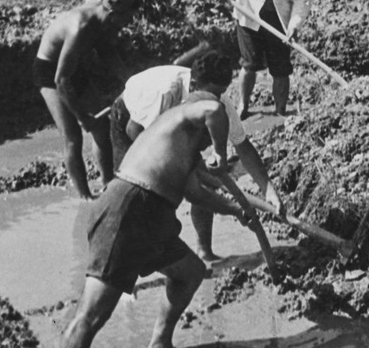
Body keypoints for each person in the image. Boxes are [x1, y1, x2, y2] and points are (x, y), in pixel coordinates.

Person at [61, 90, 252, 348]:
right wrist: (220, 152)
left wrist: (237, 210)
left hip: (152, 216)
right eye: (210, 136)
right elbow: (215, 110)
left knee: (190, 272)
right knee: (91, 316)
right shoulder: (182, 117)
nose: (208, 144)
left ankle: (160, 343)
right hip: (128, 209)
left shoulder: (181, 147)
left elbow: (196, 194)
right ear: (201, 124)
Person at [110, 44, 284, 261]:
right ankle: (124, 271)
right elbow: (135, 131)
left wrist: (268, 189)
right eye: (212, 93)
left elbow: (243, 146)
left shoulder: (218, 103)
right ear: (193, 85)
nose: (216, 99)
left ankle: (205, 250)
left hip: (170, 131)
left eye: (220, 93)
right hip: (130, 118)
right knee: (133, 196)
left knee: (204, 183)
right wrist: (182, 168)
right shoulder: (167, 92)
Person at [33, 0, 140, 199]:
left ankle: (108, 184)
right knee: (73, 136)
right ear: (113, 15)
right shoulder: (80, 27)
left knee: (102, 128)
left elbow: (106, 51)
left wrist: (132, 81)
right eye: (128, 18)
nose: (130, 23)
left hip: (74, 68)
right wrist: (82, 117)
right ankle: (85, 197)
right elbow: (61, 80)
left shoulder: (105, 19)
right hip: (50, 72)